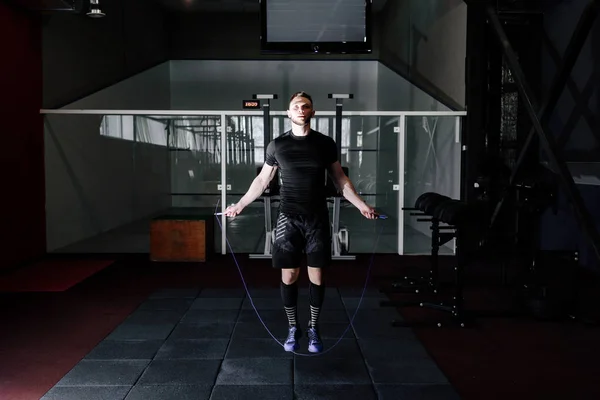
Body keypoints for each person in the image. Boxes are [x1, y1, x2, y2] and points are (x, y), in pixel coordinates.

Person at [224, 91, 379, 353]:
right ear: (288, 113)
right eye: (295, 106)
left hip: (317, 218)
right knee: (291, 274)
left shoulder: (325, 144)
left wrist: (362, 205)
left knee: (316, 275)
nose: (300, 109)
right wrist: (239, 205)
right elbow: (262, 180)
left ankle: (314, 328)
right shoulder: (277, 145)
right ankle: (293, 327)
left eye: (305, 106)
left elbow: (340, 179)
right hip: (288, 219)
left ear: (312, 112)